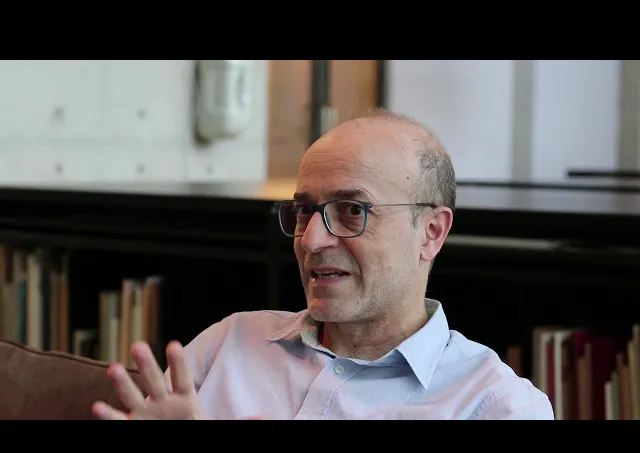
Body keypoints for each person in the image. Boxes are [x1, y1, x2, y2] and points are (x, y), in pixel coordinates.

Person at [92, 109, 554, 420]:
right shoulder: (226, 345)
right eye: (304, 211)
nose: (311, 239)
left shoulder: (495, 405)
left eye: (353, 211)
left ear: (431, 232)